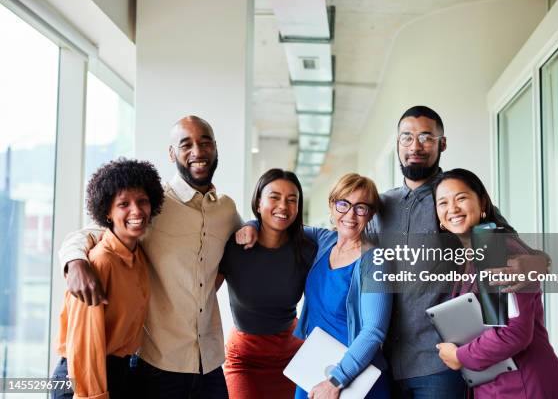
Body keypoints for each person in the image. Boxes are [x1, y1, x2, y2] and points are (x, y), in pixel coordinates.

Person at [367, 106, 550, 398]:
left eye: (426, 137)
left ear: (442, 143)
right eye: (407, 137)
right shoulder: (381, 207)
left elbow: (507, 243)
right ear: (397, 143)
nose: (416, 146)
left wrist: (539, 262)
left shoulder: (463, 206)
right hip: (389, 363)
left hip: (441, 363)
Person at [58, 116, 242, 398]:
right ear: (172, 153)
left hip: (211, 360)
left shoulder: (226, 210)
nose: (198, 151)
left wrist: (252, 230)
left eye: (205, 143)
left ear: (215, 148)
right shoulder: (151, 206)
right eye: (186, 144)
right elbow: (93, 233)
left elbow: (242, 246)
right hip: (158, 363)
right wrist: (74, 261)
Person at [238, 173, 392, 398]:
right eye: (343, 204)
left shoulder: (375, 260)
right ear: (332, 205)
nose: (350, 214)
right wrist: (251, 224)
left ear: (370, 214)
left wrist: (336, 380)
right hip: (315, 365)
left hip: (353, 377)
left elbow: (374, 331)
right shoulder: (324, 240)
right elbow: (280, 223)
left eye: (361, 207)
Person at [433, 168, 558, 398]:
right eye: (443, 203)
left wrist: (459, 356)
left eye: (461, 198)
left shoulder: (493, 248)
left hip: (524, 385)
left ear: (483, 204)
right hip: (497, 385)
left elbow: (513, 333)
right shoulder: (469, 256)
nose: (452, 209)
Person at [52, 158, 164, 399]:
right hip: (83, 378)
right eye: (124, 204)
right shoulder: (100, 262)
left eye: (142, 201)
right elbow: (84, 344)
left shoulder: (139, 255)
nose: (136, 210)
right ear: (107, 212)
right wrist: (93, 395)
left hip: (120, 372)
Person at [216, 169, 317, 399]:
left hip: (291, 354)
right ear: (258, 203)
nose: (283, 205)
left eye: (292, 200)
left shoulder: (307, 249)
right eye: (274, 197)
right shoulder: (234, 246)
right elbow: (204, 294)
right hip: (244, 358)